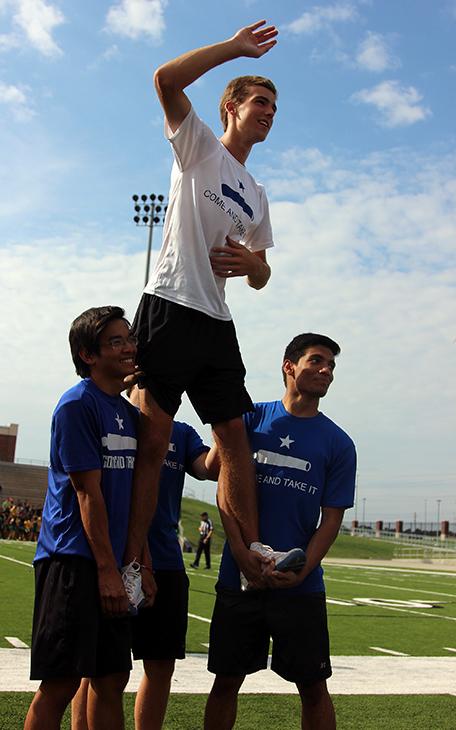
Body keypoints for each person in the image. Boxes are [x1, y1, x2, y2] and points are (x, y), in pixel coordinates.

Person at [124, 20, 281, 589]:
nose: (268, 111)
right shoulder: (199, 147)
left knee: (235, 438)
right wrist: (235, 49)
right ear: (231, 107)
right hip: (169, 303)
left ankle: (250, 554)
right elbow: (165, 79)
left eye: (274, 106)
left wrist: (253, 266)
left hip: (216, 320)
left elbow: (262, 273)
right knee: (155, 441)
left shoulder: (257, 195)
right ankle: (133, 563)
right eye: (260, 101)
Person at [204, 333, 357, 730]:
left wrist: (303, 570)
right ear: (289, 366)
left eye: (331, 366)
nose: (326, 371)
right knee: (226, 682)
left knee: (313, 686)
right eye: (317, 361)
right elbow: (223, 486)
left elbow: (332, 519)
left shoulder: (340, 443)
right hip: (239, 576)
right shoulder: (249, 417)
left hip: (300, 585)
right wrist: (240, 551)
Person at [24, 306, 140, 730]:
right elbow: (87, 493)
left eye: (129, 338)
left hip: (111, 561)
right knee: (61, 682)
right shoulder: (76, 405)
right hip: (73, 559)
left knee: (112, 679)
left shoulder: (127, 413)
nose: (129, 347)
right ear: (88, 354)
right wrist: (108, 572)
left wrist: (135, 566)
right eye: (116, 341)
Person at [71, 404, 219, 730]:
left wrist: (225, 420)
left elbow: (211, 468)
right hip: (115, 558)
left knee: (161, 665)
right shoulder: (114, 421)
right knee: (97, 667)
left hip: (167, 561)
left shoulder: (180, 432)